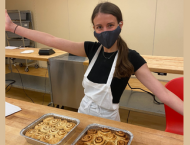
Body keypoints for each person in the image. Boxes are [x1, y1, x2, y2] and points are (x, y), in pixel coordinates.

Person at [5, 2, 183, 121]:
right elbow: (51, 39)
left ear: (120, 25)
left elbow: (164, 94)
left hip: (109, 119)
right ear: (94, 29)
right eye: (99, 27)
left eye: (110, 25)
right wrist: (12, 27)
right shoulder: (91, 49)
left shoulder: (131, 57)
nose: (105, 31)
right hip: (83, 113)